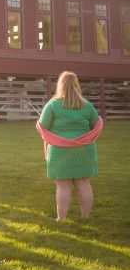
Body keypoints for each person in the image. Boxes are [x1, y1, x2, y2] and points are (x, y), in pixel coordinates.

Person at [37, 71, 101, 221]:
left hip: (60, 151)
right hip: (84, 150)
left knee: (63, 185)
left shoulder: (53, 104)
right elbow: (96, 124)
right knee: (84, 183)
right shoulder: (87, 105)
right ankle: (85, 217)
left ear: (60, 85)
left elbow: (42, 127)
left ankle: (61, 219)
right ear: (76, 85)